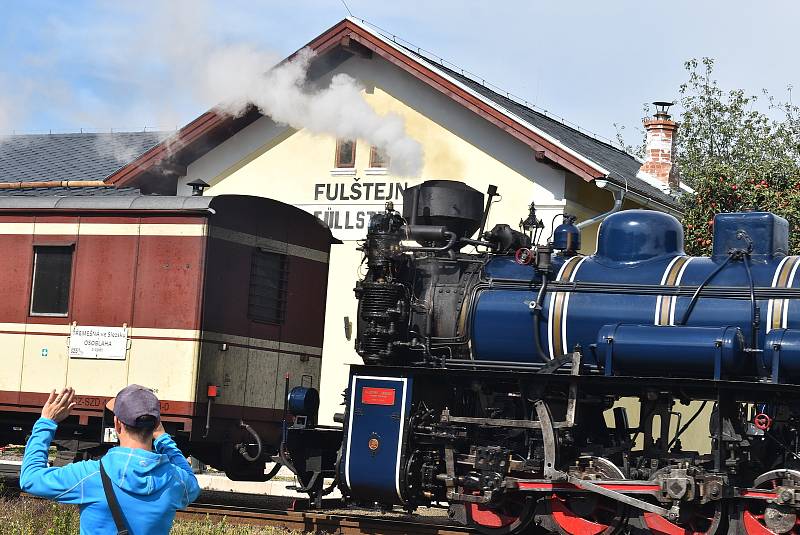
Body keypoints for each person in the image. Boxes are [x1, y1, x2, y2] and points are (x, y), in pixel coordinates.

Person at [20, 385, 201, 534]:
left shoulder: (90, 475)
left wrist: (46, 421)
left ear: (117, 424)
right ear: (155, 424)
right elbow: (191, 480)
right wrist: (163, 439)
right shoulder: (177, 481)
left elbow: (30, 478)